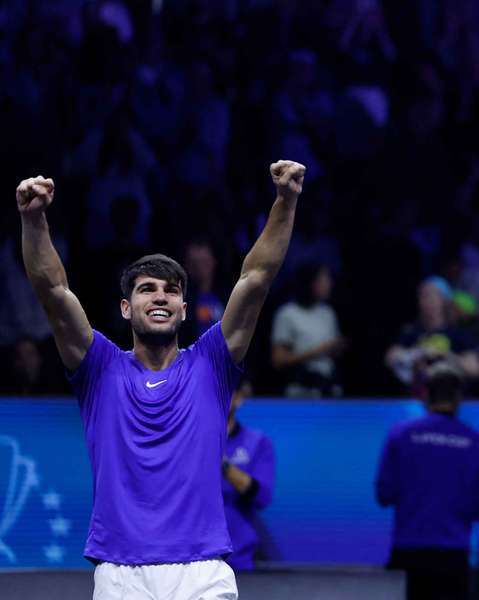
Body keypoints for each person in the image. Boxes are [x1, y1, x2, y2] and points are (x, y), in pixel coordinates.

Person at [16, 159, 305, 600]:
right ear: (126, 308)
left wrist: (285, 201)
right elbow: (53, 292)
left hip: (202, 571)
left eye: (171, 291)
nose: (160, 297)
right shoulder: (100, 368)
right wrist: (33, 219)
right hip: (121, 572)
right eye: (147, 289)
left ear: (184, 310)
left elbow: (256, 278)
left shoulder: (212, 364)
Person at [375, 361, 479, 600]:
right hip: (453, 554)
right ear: (459, 397)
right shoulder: (476, 442)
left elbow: (384, 494)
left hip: (408, 549)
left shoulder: (400, 433)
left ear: (425, 395)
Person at [222, 380, 275, 571]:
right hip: (193, 559)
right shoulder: (188, 440)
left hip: (238, 560)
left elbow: (262, 497)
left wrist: (222, 463)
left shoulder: (258, 442)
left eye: (225, 391)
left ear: (239, 397)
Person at [270, 263, 345, 397]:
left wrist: (337, 348)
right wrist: (318, 351)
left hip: (329, 389)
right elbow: (278, 360)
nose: (329, 284)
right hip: (301, 391)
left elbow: (334, 353)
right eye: (323, 280)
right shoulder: (287, 314)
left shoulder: (328, 313)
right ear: (310, 283)